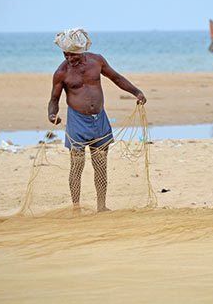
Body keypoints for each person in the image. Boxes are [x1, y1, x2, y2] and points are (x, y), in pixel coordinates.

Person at [48, 28, 146, 212]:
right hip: (77, 121)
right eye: (66, 54)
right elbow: (54, 100)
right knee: (77, 165)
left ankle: (102, 206)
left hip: (99, 119)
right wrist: (52, 115)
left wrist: (137, 92)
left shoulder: (97, 61)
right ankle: (76, 207)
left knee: (100, 165)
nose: (69, 59)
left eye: (73, 55)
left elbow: (116, 78)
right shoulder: (61, 72)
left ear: (81, 51)